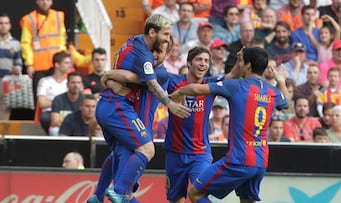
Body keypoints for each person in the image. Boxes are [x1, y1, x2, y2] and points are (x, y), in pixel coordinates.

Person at [170, 47, 289, 203]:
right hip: (260, 162)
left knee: (195, 194)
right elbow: (285, 102)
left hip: (238, 161)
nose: (238, 64)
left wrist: (179, 92)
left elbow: (196, 88)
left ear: (248, 66)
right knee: (247, 200)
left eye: (241, 61)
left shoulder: (237, 86)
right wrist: (281, 80)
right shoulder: (272, 91)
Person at [94, 14, 191, 202]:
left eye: (160, 52)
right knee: (124, 190)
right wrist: (108, 78)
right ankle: (104, 194)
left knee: (118, 164)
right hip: (126, 120)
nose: (154, 55)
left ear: (168, 55)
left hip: (136, 125)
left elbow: (132, 78)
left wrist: (107, 76)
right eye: (154, 51)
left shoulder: (161, 74)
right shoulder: (142, 56)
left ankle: (98, 196)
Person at [20, 0, 66, 103]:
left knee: (60, 94)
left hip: (57, 64)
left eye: (47, 0)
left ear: (51, 2)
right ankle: (39, 119)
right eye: (42, 0)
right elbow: (25, 43)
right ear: (37, 1)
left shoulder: (58, 16)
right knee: (39, 97)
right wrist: (29, 64)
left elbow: (62, 39)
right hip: (39, 66)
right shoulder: (29, 19)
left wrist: (64, 59)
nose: (45, 2)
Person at [37, 51, 71, 134]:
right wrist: (60, 103)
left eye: (70, 63)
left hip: (68, 111)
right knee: (45, 118)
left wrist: (52, 102)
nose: (69, 65)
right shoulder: (44, 81)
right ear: (57, 64)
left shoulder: (70, 82)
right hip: (49, 112)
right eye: (66, 63)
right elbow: (42, 103)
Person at [0, 12, 22, 120]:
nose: (3, 25)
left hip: (7, 82)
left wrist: (17, 70)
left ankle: (2, 137)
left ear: (10, 26)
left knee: (4, 114)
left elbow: (19, 62)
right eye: (1, 23)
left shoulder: (15, 43)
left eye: (6, 23)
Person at [49, 71, 84, 136]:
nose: (76, 85)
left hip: (81, 129)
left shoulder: (85, 100)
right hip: (63, 128)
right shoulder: (58, 99)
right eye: (73, 82)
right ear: (67, 84)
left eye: (78, 83)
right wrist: (71, 127)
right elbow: (55, 122)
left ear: (81, 85)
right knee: (54, 131)